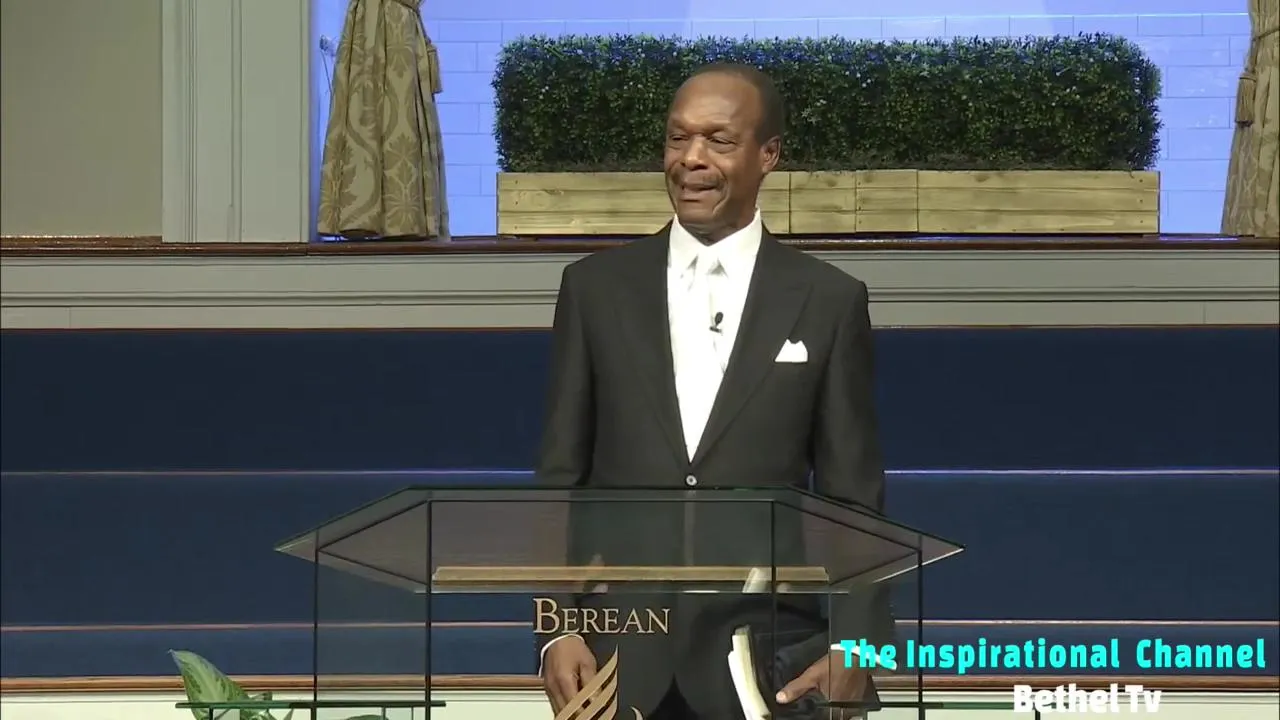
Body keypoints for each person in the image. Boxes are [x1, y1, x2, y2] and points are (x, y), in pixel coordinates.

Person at [535, 63, 892, 719]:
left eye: (718, 141)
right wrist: (556, 627)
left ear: (768, 155)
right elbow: (561, 480)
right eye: (678, 138)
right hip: (617, 663)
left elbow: (852, 500)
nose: (691, 159)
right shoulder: (594, 290)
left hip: (766, 665)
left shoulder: (828, 300)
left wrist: (858, 645)